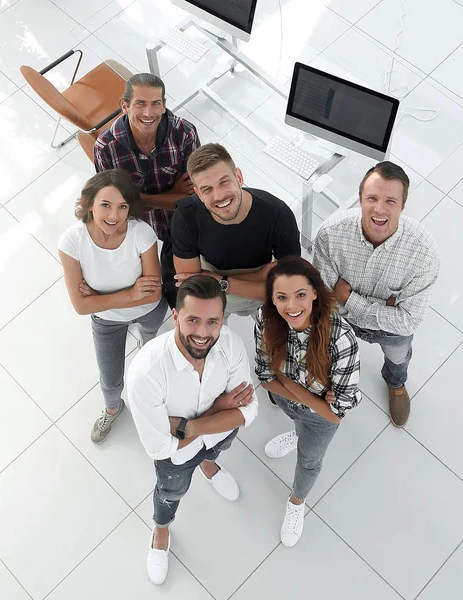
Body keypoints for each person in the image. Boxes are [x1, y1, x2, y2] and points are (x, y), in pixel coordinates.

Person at [127, 275, 258, 585]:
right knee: (170, 492)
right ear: (175, 316)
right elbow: (160, 448)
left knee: (215, 448)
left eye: (212, 322)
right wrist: (220, 408)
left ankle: (209, 465)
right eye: (193, 320)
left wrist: (188, 425)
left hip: (213, 436)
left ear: (223, 319)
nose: (203, 332)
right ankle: (161, 529)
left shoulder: (230, 344)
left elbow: (249, 410)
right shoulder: (145, 374)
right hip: (175, 457)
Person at [313, 161, 440, 427]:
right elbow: (324, 297)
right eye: (372, 198)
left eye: (390, 201)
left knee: (398, 357)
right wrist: (387, 307)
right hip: (340, 320)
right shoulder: (330, 234)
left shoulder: (423, 253)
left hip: (388, 331)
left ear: (403, 205)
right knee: (327, 349)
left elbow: (407, 321)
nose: (380, 209)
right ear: (360, 199)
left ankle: (396, 383)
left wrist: (348, 298)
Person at [254, 256, 361, 547]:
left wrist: (287, 382)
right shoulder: (266, 320)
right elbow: (265, 376)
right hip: (291, 403)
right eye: (282, 297)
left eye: (300, 294)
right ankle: (297, 432)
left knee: (310, 460)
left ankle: (297, 501)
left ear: (315, 291)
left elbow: (336, 414)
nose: (291, 306)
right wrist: (313, 398)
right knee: (297, 416)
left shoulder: (340, 338)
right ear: (272, 300)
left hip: (320, 419)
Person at [58, 169, 167, 443]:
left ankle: (145, 340)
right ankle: (113, 407)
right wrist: (131, 293)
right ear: (90, 203)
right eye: (105, 205)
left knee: (149, 333)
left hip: (147, 310)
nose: (113, 216)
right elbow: (81, 307)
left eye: (122, 207)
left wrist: (98, 295)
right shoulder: (72, 241)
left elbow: (152, 296)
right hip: (106, 320)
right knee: (109, 376)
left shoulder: (142, 233)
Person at [163, 142, 301, 317]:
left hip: (257, 298)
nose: (219, 196)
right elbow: (193, 286)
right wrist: (260, 275)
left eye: (224, 182)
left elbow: (287, 289)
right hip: (213, 298)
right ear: (198, 193)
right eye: (207, 189)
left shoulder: (278, 214)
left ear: (239, 177)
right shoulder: (186, 216)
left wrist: (221, 282)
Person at [94, 73, 200, 240]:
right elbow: (118, 208)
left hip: (190, 219)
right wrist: (173, 192)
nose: (148, 113)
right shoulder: (106, 148)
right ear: (125, 106)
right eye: (140, 104)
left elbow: (195, 196)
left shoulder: (185, 133)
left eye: (155, 104)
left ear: (164, 105)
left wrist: (142, 200)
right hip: (144, 228)